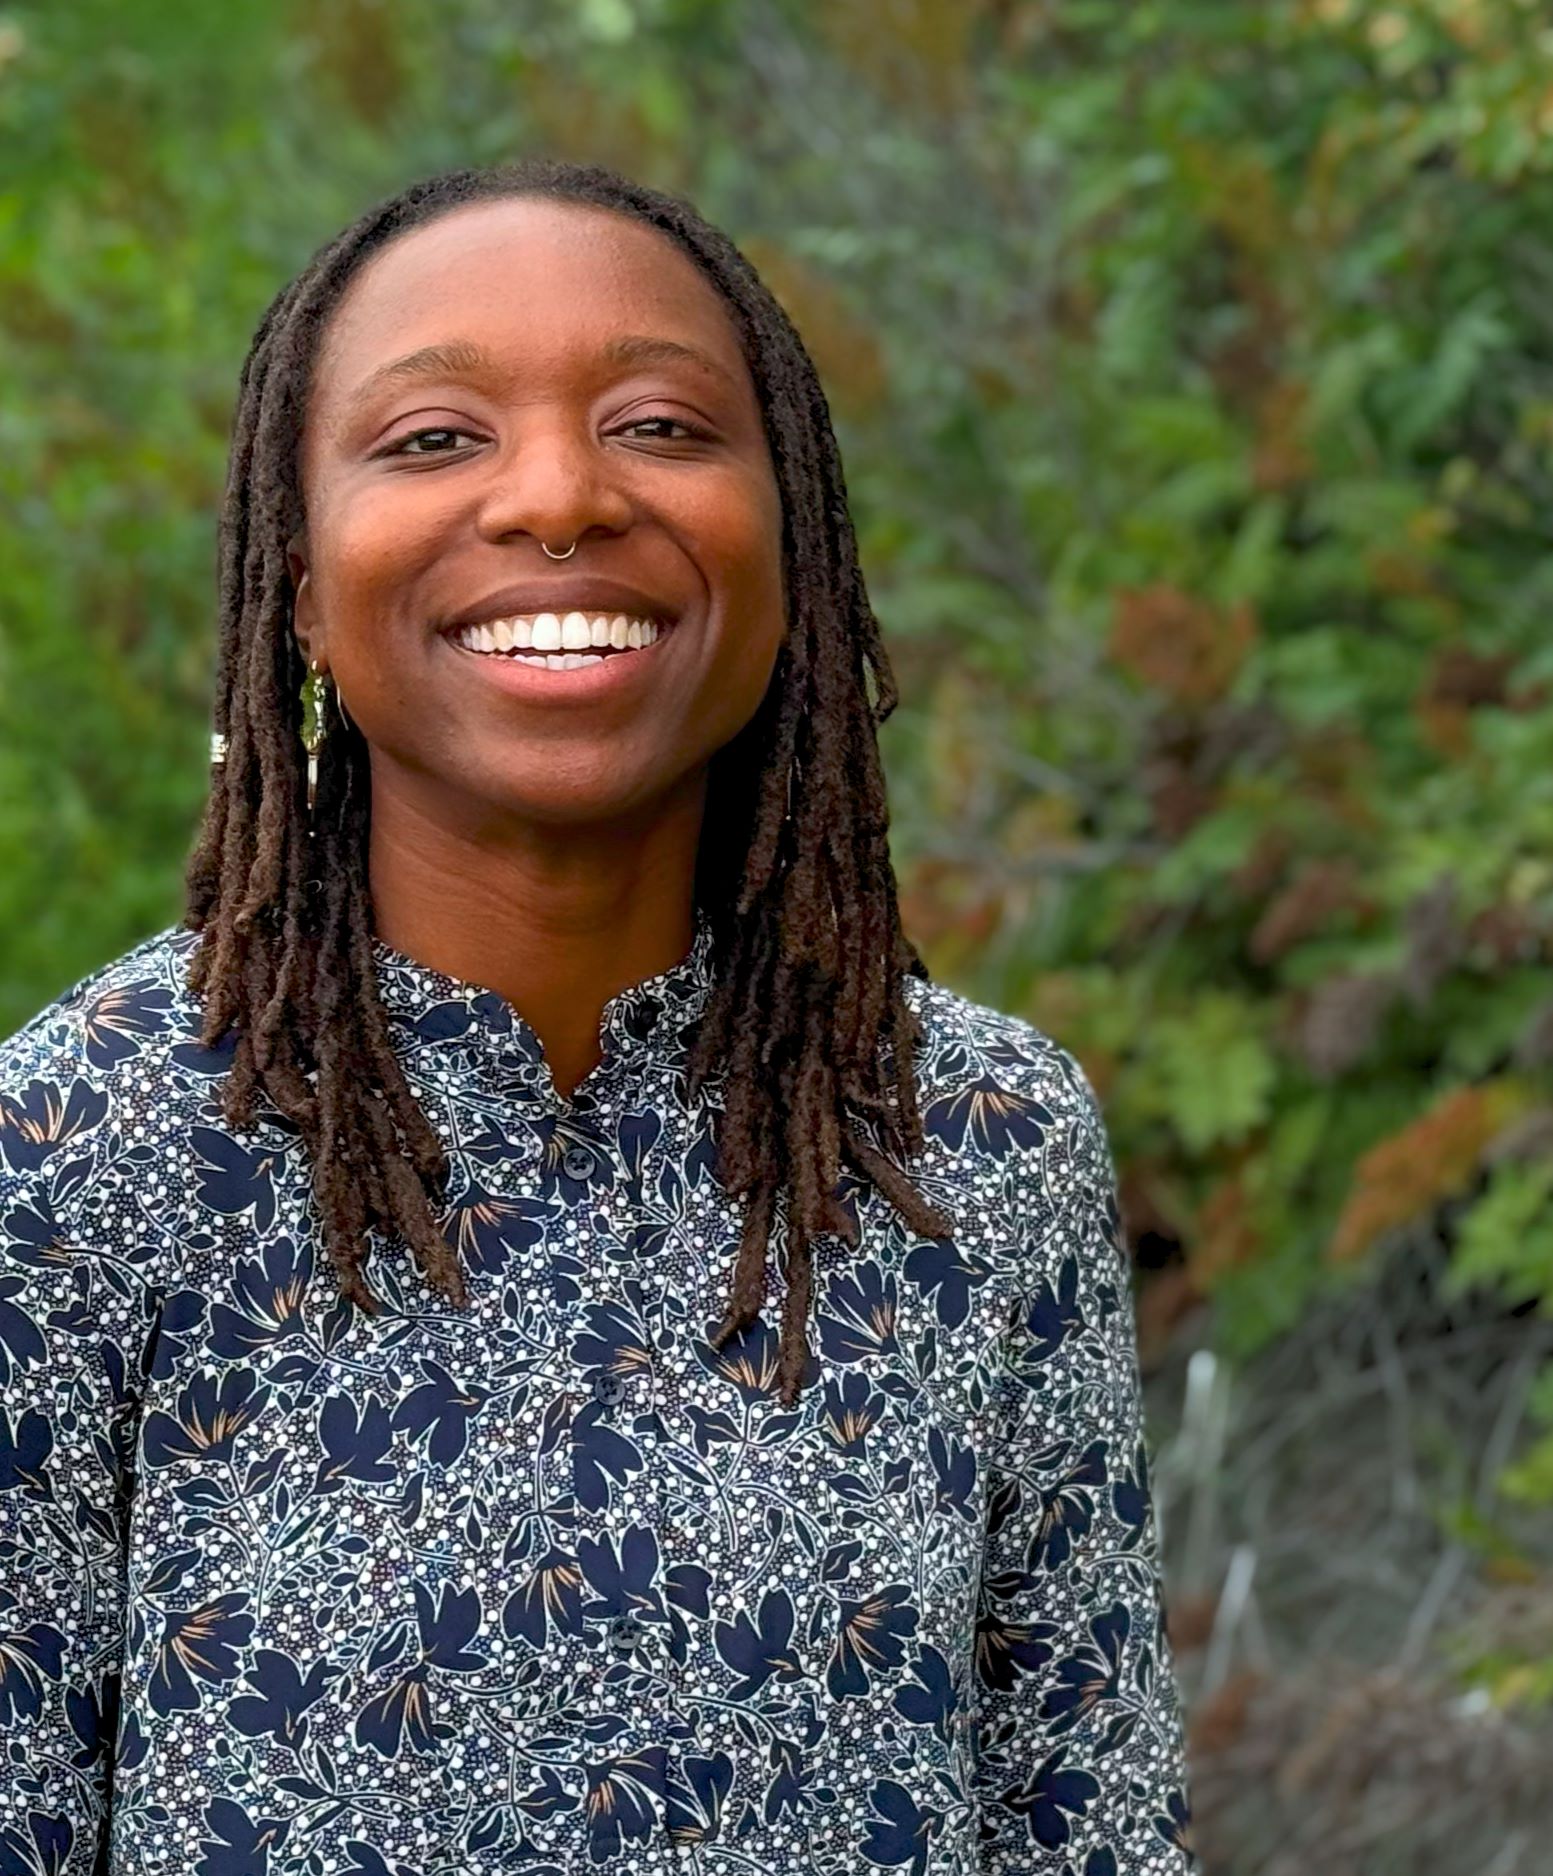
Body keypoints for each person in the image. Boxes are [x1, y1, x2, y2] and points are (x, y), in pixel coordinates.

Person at [0, 158, 1198, 1875]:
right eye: (431, 440)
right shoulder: (70, 1151)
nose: (556, 496)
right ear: (293, 578)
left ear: (793, 549)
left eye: (657, 425)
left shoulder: (975, 1143)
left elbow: (1086, 1817)